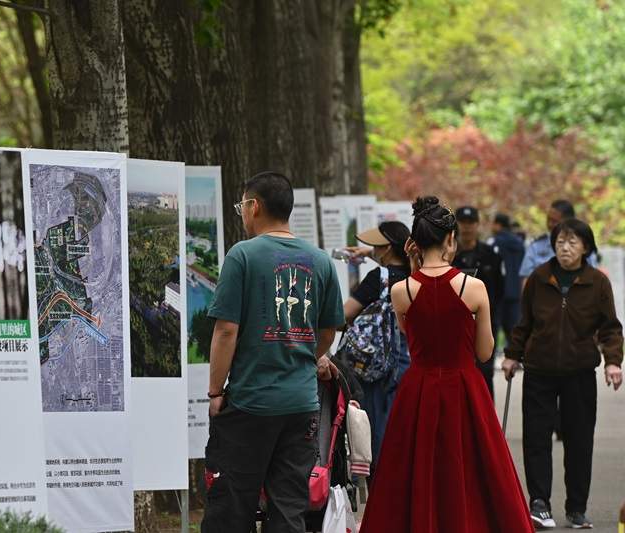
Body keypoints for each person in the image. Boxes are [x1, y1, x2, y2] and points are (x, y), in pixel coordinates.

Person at [359, 196, 533, 533]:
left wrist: (413, 271)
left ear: (415, 243)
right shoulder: (474, 288)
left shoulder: (401, 292)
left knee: (414, 471)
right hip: (464, 387)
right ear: (450, 239)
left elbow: (413, 337)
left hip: (418, 390)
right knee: (475, 470)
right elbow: (484, 353)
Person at [201, 172, 344, 533]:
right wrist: (307, 357)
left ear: (255, 206)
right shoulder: (321, 261)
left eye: (242, 207)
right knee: (289, 505)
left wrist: (216, 391)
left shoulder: (243, 256)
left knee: (233, 504)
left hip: (251, 401)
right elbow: (328, 330)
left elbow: (225, 330)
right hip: (301, 405)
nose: (243, 214)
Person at [502, 218, 623, 530]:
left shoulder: (597, 282)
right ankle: (539, 504)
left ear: (585, 247)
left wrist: (612, 362)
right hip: (539, 371)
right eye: (560, 242)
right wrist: (512, 356)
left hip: (579, 372)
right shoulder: (539, 279)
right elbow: (524, 323)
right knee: (536, 439)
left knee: (579, 441)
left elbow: (610, 328)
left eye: (572, 242)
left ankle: (576, 508)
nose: (565, 247)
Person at [342, 220, 411, 471]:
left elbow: (345, 314)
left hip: (376, 366)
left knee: (378, 429)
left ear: (389, 248)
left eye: (377, 246)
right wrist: (369, 253)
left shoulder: (376, 279)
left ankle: (382, 483)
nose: (374, 249)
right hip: (409, 362)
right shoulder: (415, 275)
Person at [452, 205, 504, 398]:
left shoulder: (491, 255)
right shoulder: (448, 255)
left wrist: (490, 316)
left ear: (477, 225)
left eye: (471, 223)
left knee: (484, 369)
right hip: (454, 321)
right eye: (462, 223)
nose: (466, 228)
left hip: (485, 319)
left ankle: (486, 415)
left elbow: (499, 289)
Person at [520, 199, 596, 285]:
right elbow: (526, 280)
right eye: (548, 219)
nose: (550, 224)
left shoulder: (583, 247)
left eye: (555, 221)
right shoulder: (536, 247)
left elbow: (592, 280)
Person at [491, 213, 526, 349]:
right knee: (513, 330)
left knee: (494, 329)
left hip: (499, 291)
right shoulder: (520, 244)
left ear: (498, 225)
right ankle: (515, 359)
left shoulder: (495, 242)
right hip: (516, 291)